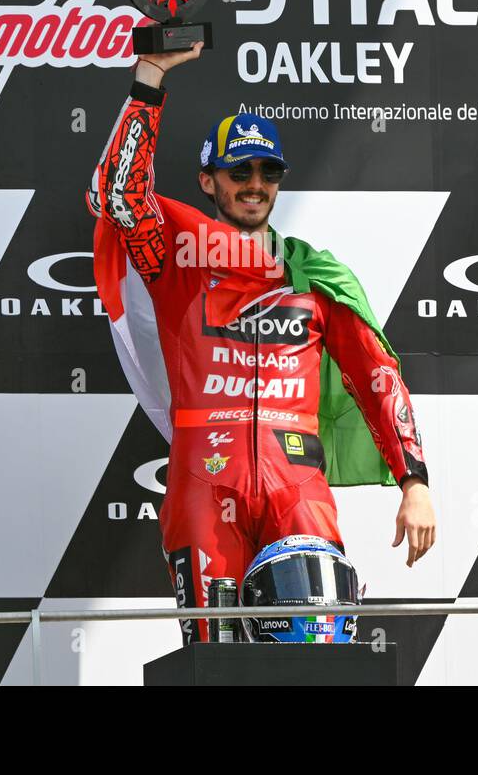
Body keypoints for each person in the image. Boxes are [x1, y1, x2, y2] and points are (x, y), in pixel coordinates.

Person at [88, 44, 435, 644]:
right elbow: (117, 198)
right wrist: (150, 79)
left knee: (318, 660)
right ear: (208, 180)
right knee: (213, 663)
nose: (254, 185)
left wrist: (416, 482)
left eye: (267, 172)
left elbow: (377, 375)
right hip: (203, 481)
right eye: (239, 171)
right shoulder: (178, 259)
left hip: (296, 485)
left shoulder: (314, 276)